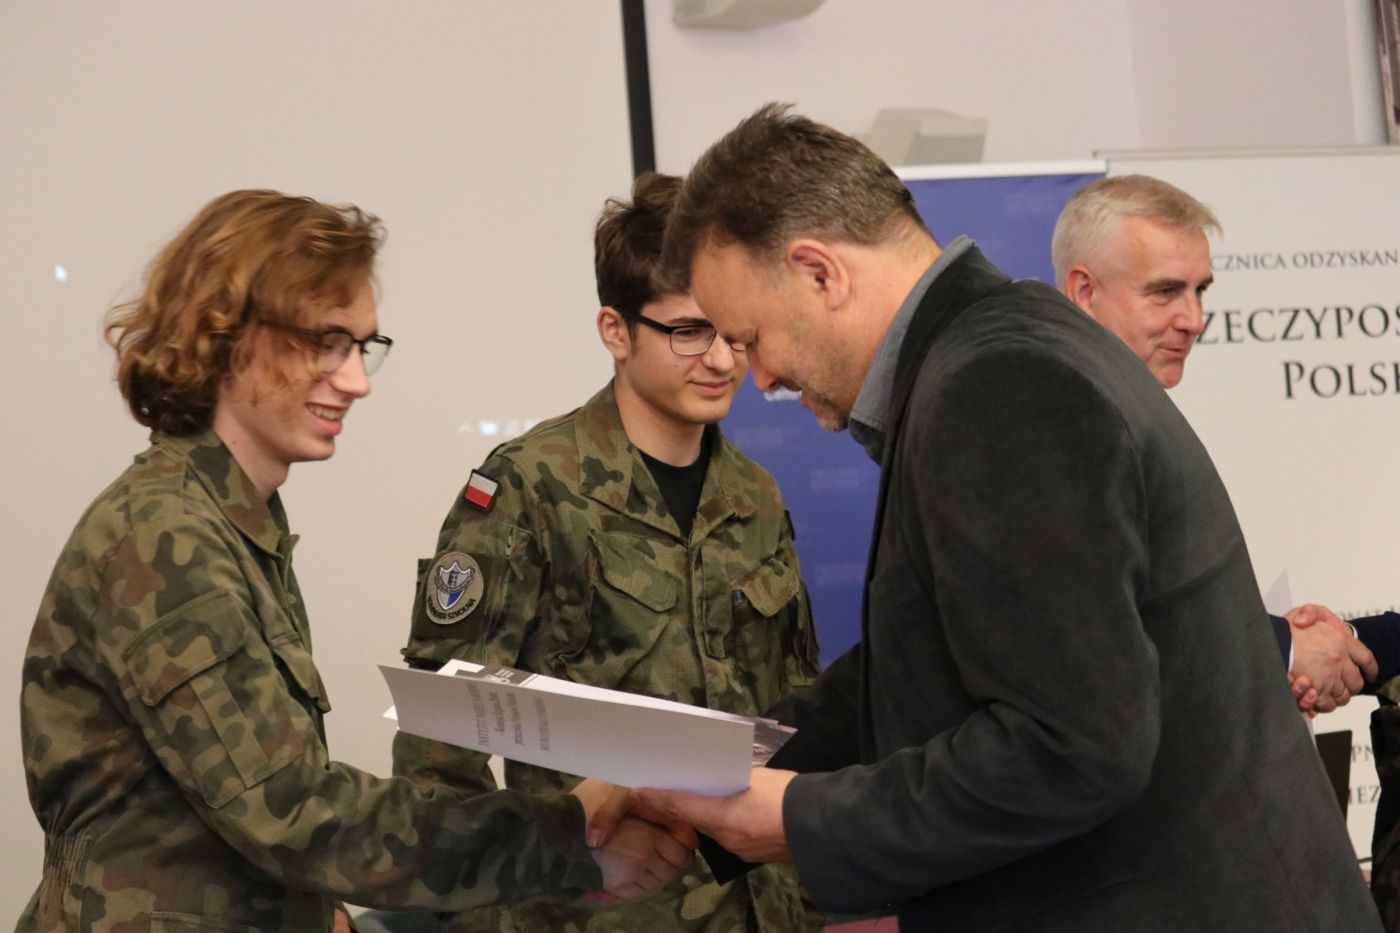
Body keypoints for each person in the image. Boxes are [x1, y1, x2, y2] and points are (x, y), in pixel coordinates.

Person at [628, 104, 1379, 930]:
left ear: (819, 273)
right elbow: (933, 662)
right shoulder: (996, 348)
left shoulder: (996, 384)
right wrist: (703, 765)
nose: (760, 377)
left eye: (751, 336)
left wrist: (801, 818)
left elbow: (1073, 746)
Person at [18, 189, 691, 932]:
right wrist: (565, 834)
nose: (356, 380)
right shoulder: (165, 537)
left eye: (362, 347)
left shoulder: (228, 521)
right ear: (227, 333)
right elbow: (294, 812)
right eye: (326, 342)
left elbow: (231, 811)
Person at [391, 172, 822, 932]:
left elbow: (797, 710)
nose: (721, 359)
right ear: (616, 332)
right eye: (688, 331)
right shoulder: (530, 486)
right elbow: (440, 745)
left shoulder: (755, 494)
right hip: (599, 913)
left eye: (732, 332)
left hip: (760, 910)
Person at [1051, 173, 1398, 713]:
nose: (1193, 320)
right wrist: (1283, 649)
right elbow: (1093, 631)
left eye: (1200, 290)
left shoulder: (1124, 409)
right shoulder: (1056, 423)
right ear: (1085, 292)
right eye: (1165, 292)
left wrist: (1298, 647)